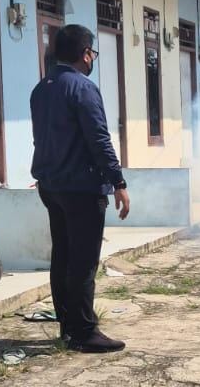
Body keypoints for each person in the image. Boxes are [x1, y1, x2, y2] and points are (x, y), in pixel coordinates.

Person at [30, 24, 131, 353]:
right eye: (93, 53)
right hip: (81, 188)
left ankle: (68, 326)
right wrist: (118, 181)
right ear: (86, 54)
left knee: (62, 256)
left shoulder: (41, 89)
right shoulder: (83, 88)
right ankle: (84, 332)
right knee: (83, 261)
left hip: (51, 185)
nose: (92, 60)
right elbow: (98, 139)